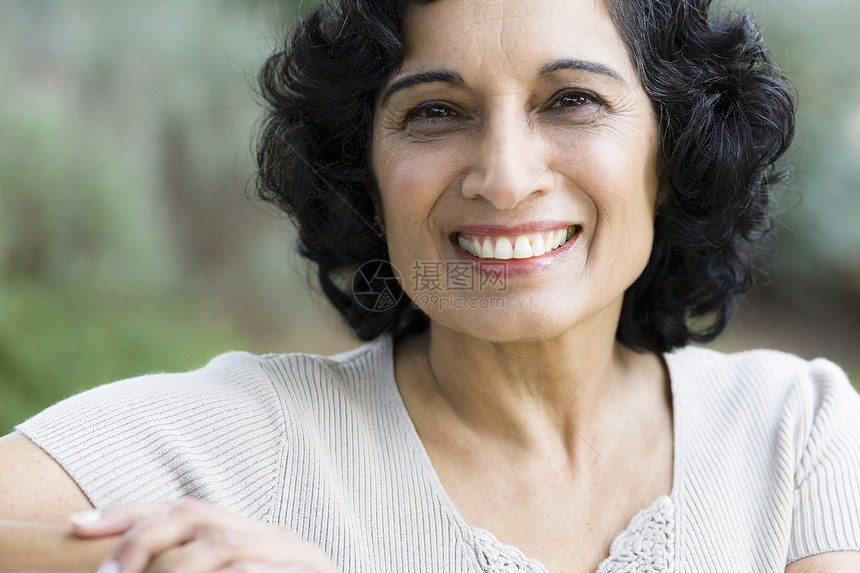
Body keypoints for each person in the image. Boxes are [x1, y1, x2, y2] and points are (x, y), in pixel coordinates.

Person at [2, 0, 859, 571]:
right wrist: (141, 560)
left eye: (570, 100)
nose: (504, 175)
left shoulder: (797, 434)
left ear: (672, 153)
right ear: (366, 178)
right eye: (435, 112)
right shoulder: (247, 436)